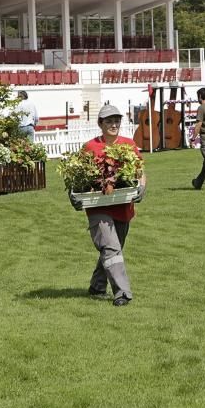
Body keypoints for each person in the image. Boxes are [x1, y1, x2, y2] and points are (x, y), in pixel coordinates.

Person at [69, 104, 146, 307]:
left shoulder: (129, 145)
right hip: (98, 206)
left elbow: (139, 171)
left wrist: (142, 187)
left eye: (116, 120)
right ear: (100, 124)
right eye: (109, 121)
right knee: (111, 248)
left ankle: (97, 285)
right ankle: (122, 292)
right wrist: (73, 194)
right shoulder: (90, 147)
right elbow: (76, 176)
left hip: (123, 206)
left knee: (113, 248)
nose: (114, 124)